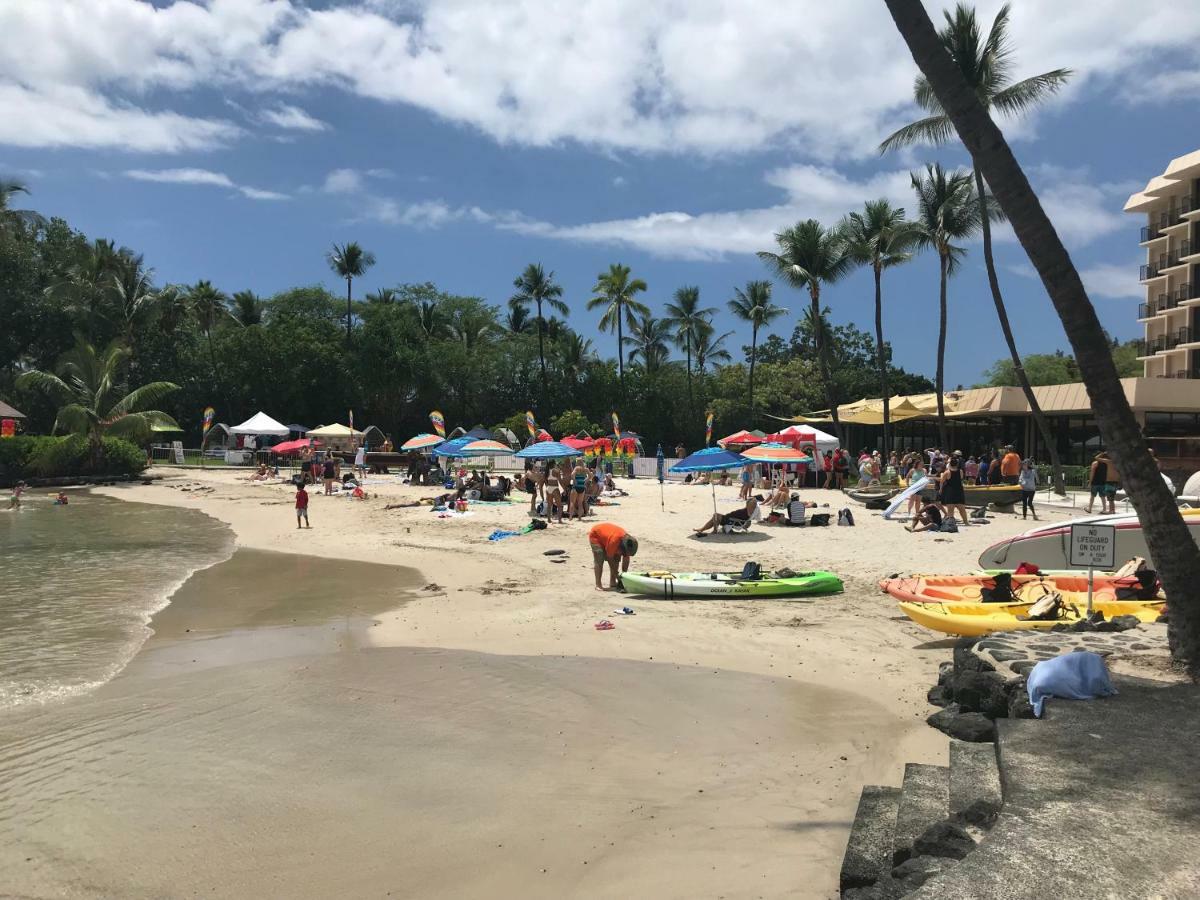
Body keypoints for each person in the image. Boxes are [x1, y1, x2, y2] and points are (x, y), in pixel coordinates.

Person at [589, 522, 638, 591]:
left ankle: (613, 582)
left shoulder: (629, 544)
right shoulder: (614, 541)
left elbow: (626, 559)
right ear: (621, 547)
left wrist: (624, 577)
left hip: (608, 535)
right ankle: (598, 584)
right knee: (599, 559)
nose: (624, 554)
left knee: (617, 558)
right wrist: (617, 574)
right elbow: (610, 559)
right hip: (596, 535)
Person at [694, 496, 759, 536]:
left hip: (732, 521)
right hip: (730, 519)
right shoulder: (750, 509)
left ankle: (712, 530)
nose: (747, 502)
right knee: (715, 517)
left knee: (716, 515)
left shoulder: (749, 510)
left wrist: (752, 501)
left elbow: (750, 512)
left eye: (748, 502)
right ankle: (702, 529)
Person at [939, 456, 969, 526]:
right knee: (962, 508)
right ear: (957, 464)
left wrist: (941, 489)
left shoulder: (947, 472)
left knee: (950, 508)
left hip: (950, 491)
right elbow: (961, 479)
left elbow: (941, 481)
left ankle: (951, 522)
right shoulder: (960, 471)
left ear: (950, 464)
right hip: (959, 490)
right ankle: (966, 522)